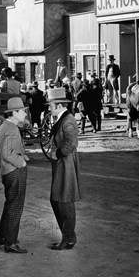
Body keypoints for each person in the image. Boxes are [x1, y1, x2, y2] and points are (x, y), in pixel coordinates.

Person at [46, 87, 81, 250]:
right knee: (59, 199)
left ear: (59, 105)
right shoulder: (63, 118)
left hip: (65, 164)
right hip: (62, 163)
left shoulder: (67, 121)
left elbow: (71, 144)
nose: (48, 108)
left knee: (64, 200)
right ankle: (68, 236)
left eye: (50, 105)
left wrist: (58, 153)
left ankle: (68, 238)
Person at [0, 97, 30, 253]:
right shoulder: (12, 129)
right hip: (15, 172)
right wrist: (21, 162)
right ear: (14, 113)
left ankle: (3, 237)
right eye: (22, 111)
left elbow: (7, 150)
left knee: (9, 204)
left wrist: (22, 155)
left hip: (6, 171)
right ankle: (11, 242)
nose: (24, 113)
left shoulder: (3, 126)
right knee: (16, 206)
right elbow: (7, 153)